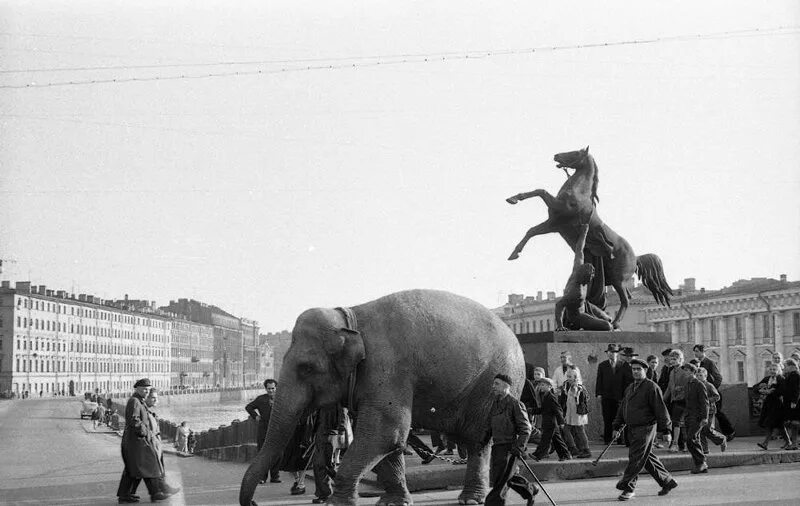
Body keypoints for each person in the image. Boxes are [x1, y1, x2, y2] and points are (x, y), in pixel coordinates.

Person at [612, 358, 677, 501]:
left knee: (635, 457)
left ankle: (628, 487)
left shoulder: (651, 387)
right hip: (632, 428)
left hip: (646, 428)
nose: (635, 371)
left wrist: (666, 430)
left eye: (638, 369)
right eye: (633, 369)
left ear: (645, 370)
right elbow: (623, 408)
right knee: (646, 458)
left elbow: (661, 409)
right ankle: (667, 481)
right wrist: (617, 425)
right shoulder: (630, 388)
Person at [116, 379, 178, 504]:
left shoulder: (139, 401)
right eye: (144, 389)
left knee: (134, 469)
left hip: (136, 440)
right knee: (149, 464)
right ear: (137, 388)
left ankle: (125, 495)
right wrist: (146, 432)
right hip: (136, 441)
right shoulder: (135, 401)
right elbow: (134, 420)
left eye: (148, 389)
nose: (147, 391)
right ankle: (155, 493)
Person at [484, 374, 537, 506]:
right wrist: (482, 441)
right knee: (503, 478)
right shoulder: (495, 404)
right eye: (493, 383)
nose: (493, 386)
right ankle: (529, 489)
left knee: (500, 482)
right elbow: (490, 426)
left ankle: (493, 503)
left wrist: (519, 447)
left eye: (496, 384)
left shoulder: (515, 404)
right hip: (497, 447)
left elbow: (526, 428)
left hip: (510, 448)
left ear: (506, 386)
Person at [554, 224, 613, 331]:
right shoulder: (576, 292)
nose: (591, 279)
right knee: (607, 326)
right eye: (590, 277)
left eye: (592, 276)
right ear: (583, 277)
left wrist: (584, 232)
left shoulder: (577, 268)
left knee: (609, 319)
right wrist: (560, 326)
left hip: (585, 305)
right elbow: (559, 305)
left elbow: (579, 249)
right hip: (577, 316)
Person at [143, 389, 181, 497]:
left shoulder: (149, 411)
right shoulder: (145, 412)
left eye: (157, 397)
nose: (156, 400)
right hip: (151, 444)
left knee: (156, 467)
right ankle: (158, 491)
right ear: (146, 398)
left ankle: (161, 489)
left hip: (155, 443)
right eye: (153, 398)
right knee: (153, 468)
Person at [693, 344, 735, 440]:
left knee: (717, 413)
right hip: (701, 393)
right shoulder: (696, 363)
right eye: (695, 351)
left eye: (697, 351)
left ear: (703, 352)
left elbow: (718, 377)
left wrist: (711, 388)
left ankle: (730, 432)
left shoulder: (709, 362)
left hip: (711, 393)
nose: (695, 353)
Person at [245, 379, 281, 484]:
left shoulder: (281, 399)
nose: (271, 391)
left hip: (277, 430)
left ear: (276, 388)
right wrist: (256, 416)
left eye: (273, 388)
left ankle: (275, 476)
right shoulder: (261, 399)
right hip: (264, 429)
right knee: (263, 453)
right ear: (266, 389)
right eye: (269, 389)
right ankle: (262, 477)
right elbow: (249, 407)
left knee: (277, 453)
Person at [311, 404, 348, 504]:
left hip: (331, 434)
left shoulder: (337, 397)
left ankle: (330, 492)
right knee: (321, 465)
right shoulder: (322, 398)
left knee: (322, 464)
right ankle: (342, 488)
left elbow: (343, 413)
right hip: (320, 433)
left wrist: (341, 431)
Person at [529, 377, 571, 461]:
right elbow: (543, 409)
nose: (541, 386)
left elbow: (557, 410)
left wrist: (561, 422)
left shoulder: (551, 397)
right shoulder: (545, 396)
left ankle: (538, 455)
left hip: (551, 423)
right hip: (549, 423)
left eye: (543, 385)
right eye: (540, 385)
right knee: (557, 441)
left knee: (545, 440)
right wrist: (532, 410)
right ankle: (565, 455)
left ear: (550, 387)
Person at [752, 363, 790, 450]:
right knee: (780, 425)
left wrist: (772, 391)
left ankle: (765, 443)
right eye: (771, 369)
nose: (772, 371)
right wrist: (761, 390)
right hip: (768, 405)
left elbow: (783, 390)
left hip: (777, 405)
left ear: (778, 371)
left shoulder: (780, 379)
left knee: (770, 424)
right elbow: (755, 387)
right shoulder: (767, 379)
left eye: (774, 369)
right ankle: (788, 442)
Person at [681, 363, 710, 474]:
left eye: (687, 370)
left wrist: (705, 417)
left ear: (693, 372)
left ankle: (701, 462)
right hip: (689, 416)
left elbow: (704, 402)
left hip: (697, 417)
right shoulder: (687, 384)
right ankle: (700, 464)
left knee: (690, 439)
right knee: (694, 440)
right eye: (684, 371)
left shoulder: (699, 384)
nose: (685, 373)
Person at [596, 343, 626, 444]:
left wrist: (625, 394)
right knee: (607, 417)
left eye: (614, 352)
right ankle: (608, 439)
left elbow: (625, 381)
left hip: (619, 396)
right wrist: (599, 393)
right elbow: (599, 380)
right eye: (610, 352)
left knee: (619, 417)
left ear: (617, 354)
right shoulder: (602, 365)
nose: (612, 354)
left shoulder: (622, 364)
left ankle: (620, 439)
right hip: (606, 396)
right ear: (607, 353)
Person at [558, 367, 591, 458]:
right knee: (568, 429)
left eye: (570, 376)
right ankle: (575, 448)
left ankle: (584, 450)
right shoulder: (567, 385)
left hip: (577, 413)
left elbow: (582, 398)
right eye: (567, 376)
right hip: (571, 412)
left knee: (579, 430)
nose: (568, 378)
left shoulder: (577, 386)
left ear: (575, 377)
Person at [663, 349, 691, 452]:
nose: (672, 361)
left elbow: (689, 385)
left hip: (683, 401)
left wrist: (681, 390)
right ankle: (682, 445)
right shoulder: (671, 372)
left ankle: (675, 444)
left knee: (677, 422)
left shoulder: (685, 371)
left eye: (674, 359)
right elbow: (669, 387)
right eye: (671, 359)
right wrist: (663, 399)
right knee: (678, 422)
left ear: (681, 359)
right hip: (674, 400)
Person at [695, 367, 727, 454]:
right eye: (697, 375)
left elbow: (717, 396)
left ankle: (721, 439)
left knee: (708, 429)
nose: (698, 377)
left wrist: (707, 400)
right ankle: (704, 450)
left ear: (705, 376)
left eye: (700, 375)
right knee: (700, 430)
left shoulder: (709, 385)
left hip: (710, 411)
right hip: (700, 411)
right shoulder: (696, 386)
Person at [782, 358, 800, 450]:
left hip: (794, 403)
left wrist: (794, 401)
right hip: (790, 402)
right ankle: (793, 443)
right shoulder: (791, 375)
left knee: (795, 423)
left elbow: (796, 390)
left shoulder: (795, 375)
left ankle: (794, 444)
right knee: (792, 423)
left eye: (785, 366)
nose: (784, 368)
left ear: (791, 366)